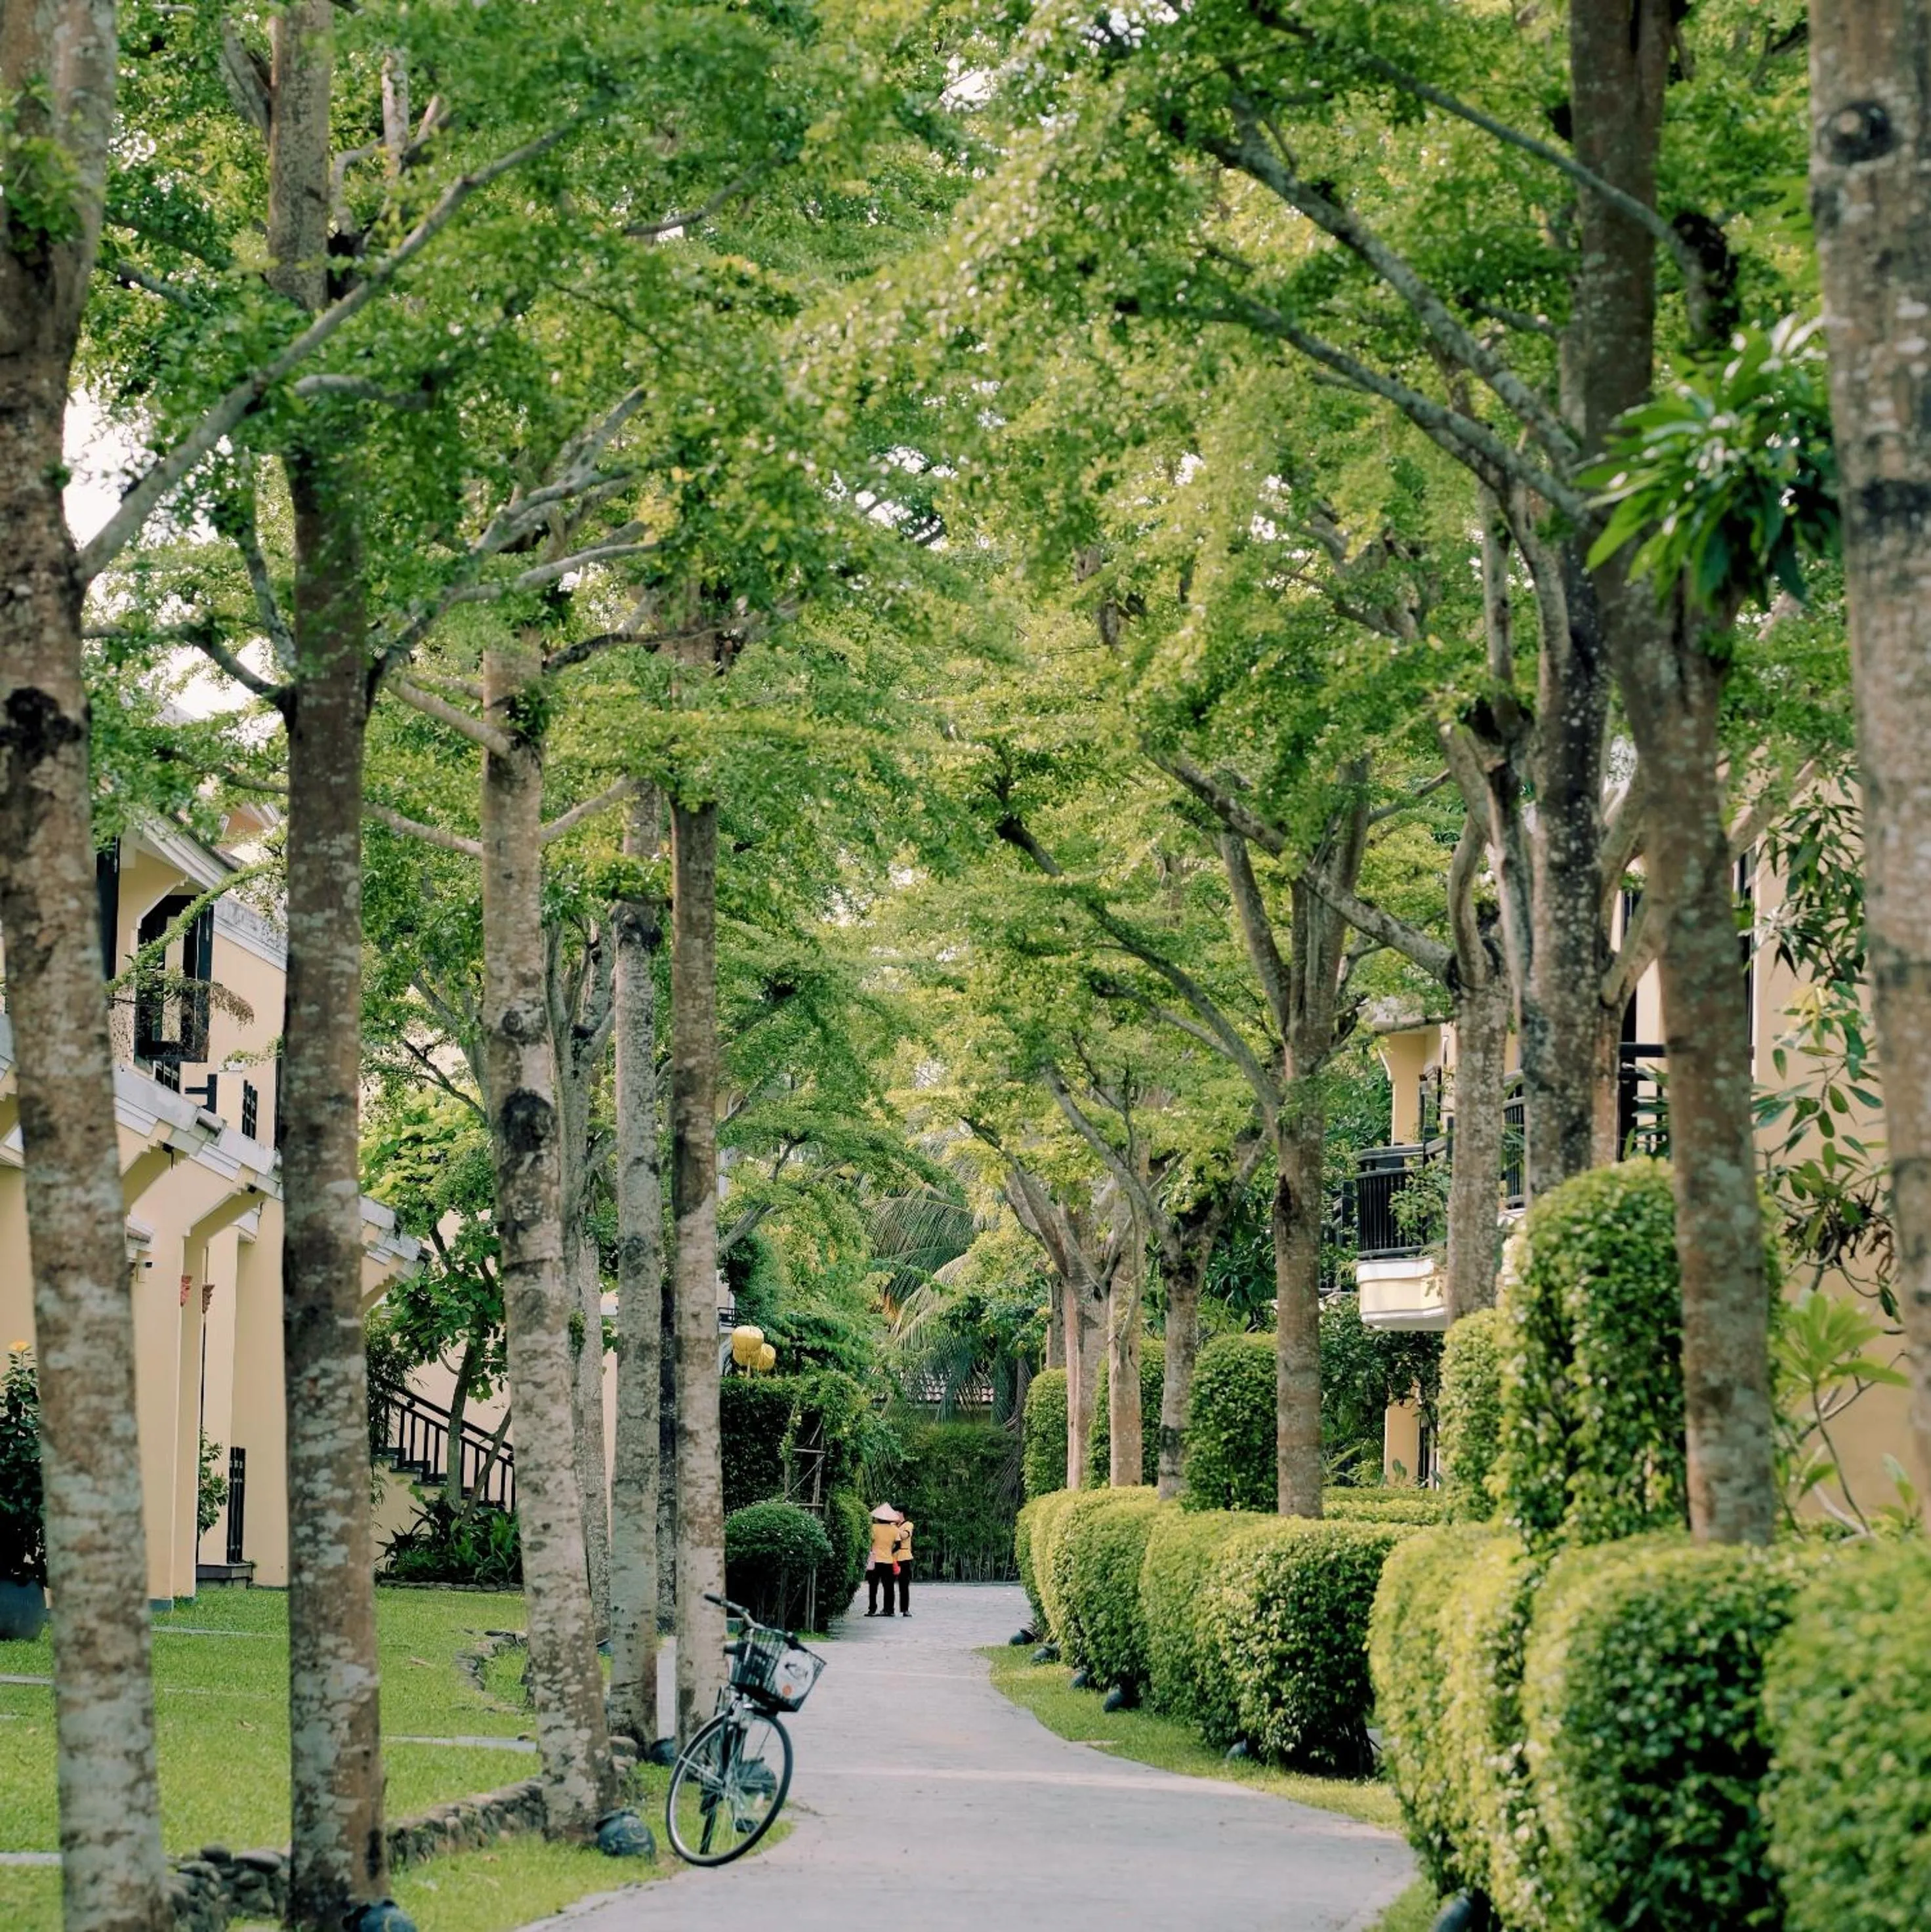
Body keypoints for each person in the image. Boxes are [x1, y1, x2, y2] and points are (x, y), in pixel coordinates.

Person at [866, 1503, 900, 1616]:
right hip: (888, 1561)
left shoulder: (873, 1528)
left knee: (873, 1586)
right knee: (889, 1587)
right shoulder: (894, 1529)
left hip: (875, 1561)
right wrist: (890, 1551)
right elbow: (898, 1545)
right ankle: (889, 1609)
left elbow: (869, 1542)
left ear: (878, 1518)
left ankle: (872, 1609)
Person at [892, 1513, 914, 1616]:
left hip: (904, 1556)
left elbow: (904, 1535)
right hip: (892, 1557)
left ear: (902, 1514)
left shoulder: (908, 1525)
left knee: (904, 1585)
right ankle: (889, 1609)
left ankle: (905, 1609)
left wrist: (893, 1530)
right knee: (889, 1585)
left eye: (896, 1512)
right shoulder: (893, 1525)